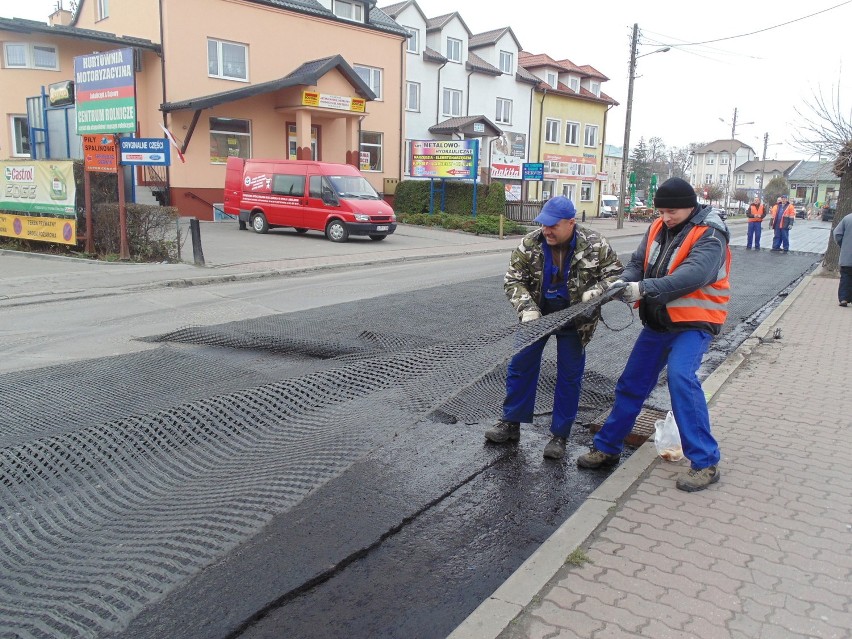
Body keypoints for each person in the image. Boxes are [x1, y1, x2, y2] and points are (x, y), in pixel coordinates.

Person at [577, 177, 731, 492]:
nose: (665, 217)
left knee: (681, 379)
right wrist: (618, 284)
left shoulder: (711, 235)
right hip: (660, 323)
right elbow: (638, 263)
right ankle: (607, 447)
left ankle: (705, 462)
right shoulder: (658, 228)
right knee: (632, 383)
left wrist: (642, 289)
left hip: (694, 323)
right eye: (661, 211)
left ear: (691, 206)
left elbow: (693, 275)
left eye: (671, 211)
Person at [485, 196, 623, 459]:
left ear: (571, 223)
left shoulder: (595, 244)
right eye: (543, 224)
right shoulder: (530, 243)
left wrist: (598, 290)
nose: (546, 230)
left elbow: (617, 274)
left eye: (553, 225)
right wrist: (526, 308)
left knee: (569, 376)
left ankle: (560, 436)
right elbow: (513, 279)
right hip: (537, 315)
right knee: (520, 366)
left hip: (575, 318)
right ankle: (511, 423)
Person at [833, 213, 852, 307]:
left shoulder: (847, 218)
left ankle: (844, 298)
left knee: (845, 276)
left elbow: (837, 234)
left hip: (847, 255)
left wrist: (843, 245)